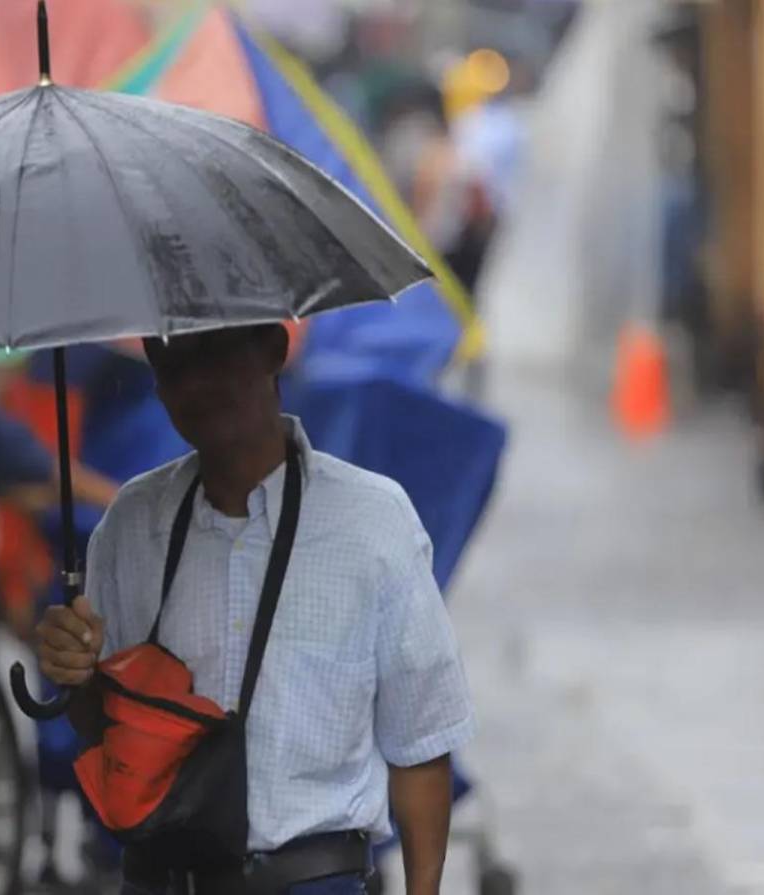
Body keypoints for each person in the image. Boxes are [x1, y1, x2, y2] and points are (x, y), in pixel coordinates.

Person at [36, 325, 474, 894]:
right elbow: (102, 728)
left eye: (218, 352)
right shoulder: (132, 524)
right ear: (155, 375)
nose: (198, 382)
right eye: (174, 362)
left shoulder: (373, 522)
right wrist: (77, 673)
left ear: (273, 347)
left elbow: (420, 745)